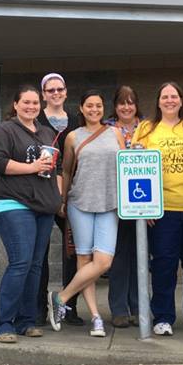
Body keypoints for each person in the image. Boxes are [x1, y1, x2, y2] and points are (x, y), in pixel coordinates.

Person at [0, 85, 62, 343]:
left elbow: (57, 168)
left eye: (34, 103)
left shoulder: (47, 132)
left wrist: (58, 197)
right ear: (15, 105)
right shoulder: (5, 130)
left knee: (35, 266)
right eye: (25, 102)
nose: (31, 107)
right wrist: (33, 167)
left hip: (43, 206)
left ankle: (26, 321)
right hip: (13, 203)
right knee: (20, 262)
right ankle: (2, 325)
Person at [46, 90, 125, 337]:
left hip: (109, 203)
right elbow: (67, 171)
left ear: (104, 109)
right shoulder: (72, 137)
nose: (94, 109)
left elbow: (125, 165)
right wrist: (63, 200)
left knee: (104, 262)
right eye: (89, 105)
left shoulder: (115, 133)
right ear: (81, 108)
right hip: (79, 203)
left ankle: (60, 297)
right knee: (84, 261)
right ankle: (96, 317)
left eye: (99, 106)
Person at [132, 82, 183, 336]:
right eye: (164, 96)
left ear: (181, 100)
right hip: (162, 210)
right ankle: (163, 317)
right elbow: (136, 165)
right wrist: (146, 207)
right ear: (158, 101)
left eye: (174, 96)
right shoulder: (146, 128)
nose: (169, 101)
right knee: (164, 265)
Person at [35, 73, 83, 326]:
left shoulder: (77, 120)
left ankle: (68, 307)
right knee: (39, 253)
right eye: (50, 90)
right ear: (43, 94)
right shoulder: (36, 121)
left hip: (72, 194)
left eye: (59, 89)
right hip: (42, 194)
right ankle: (38, 309)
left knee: (73, 253)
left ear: (66, 92)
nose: (55, 93)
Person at [105, 85, 142, 327]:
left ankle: (140, 308)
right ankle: (119, 309)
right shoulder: (107, 129)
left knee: (139, 256)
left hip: (142, 202)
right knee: (118, 257)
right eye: (121, 103)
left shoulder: (148, 127)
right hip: (115, 202)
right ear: (115, 106)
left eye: (130, 102)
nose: (126, 107)